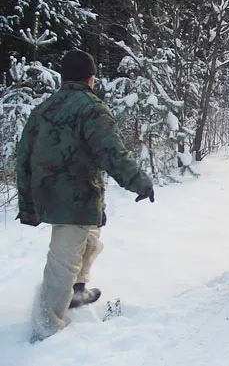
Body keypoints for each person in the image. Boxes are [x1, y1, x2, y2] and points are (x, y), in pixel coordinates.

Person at [15, 49, 155, 343]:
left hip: (57, 194)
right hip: (74, 196)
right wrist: (139, 181)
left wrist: (28, 199)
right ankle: (46, 328)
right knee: (63, 259)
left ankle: (76, 292)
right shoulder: (91, 107)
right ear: (91, 78)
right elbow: (111, 152)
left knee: (90, 242)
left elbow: (22, 155)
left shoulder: (44, 108)